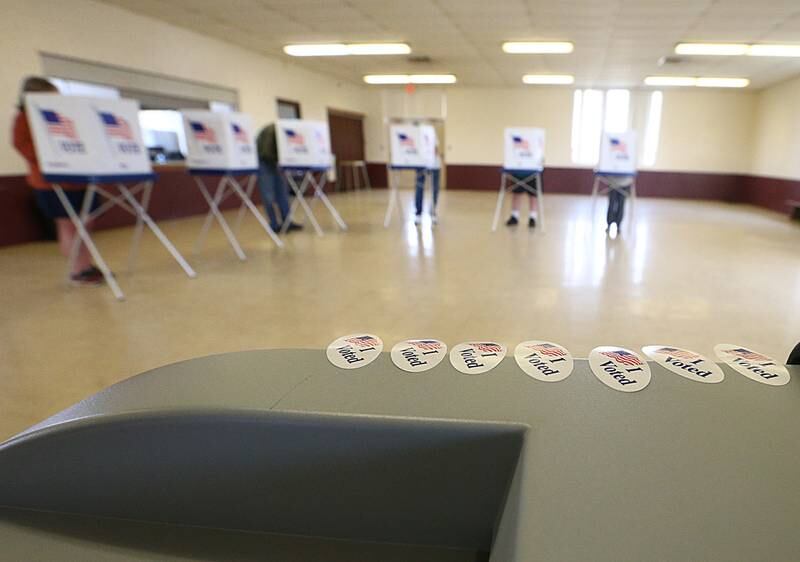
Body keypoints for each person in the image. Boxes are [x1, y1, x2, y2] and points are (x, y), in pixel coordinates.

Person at [12, 76, 103, 286]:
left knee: (87, 223)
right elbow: (22, 145)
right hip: (51, 182)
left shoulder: (64, 114)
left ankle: (87, 266)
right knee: (69, 224)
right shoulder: (25, 118)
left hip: (79, 179)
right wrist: (52, 157)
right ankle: (77, 270)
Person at [255, 123, 301, 233]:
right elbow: (267, 153)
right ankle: (274, 225)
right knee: (268, 195)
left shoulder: (285, 133)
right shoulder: (272, 132)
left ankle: (287, 222)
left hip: (274, 161)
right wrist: (283, 161)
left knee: (283, 193)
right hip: (263, 162)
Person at [413, 136, 441, 225]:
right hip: (420, 164)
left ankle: (432, 212)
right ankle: (418, 214)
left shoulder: (432, 135)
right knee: (419, 188)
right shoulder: (415, 136)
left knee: (434, 189)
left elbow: (435, 150)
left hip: (434, 165)